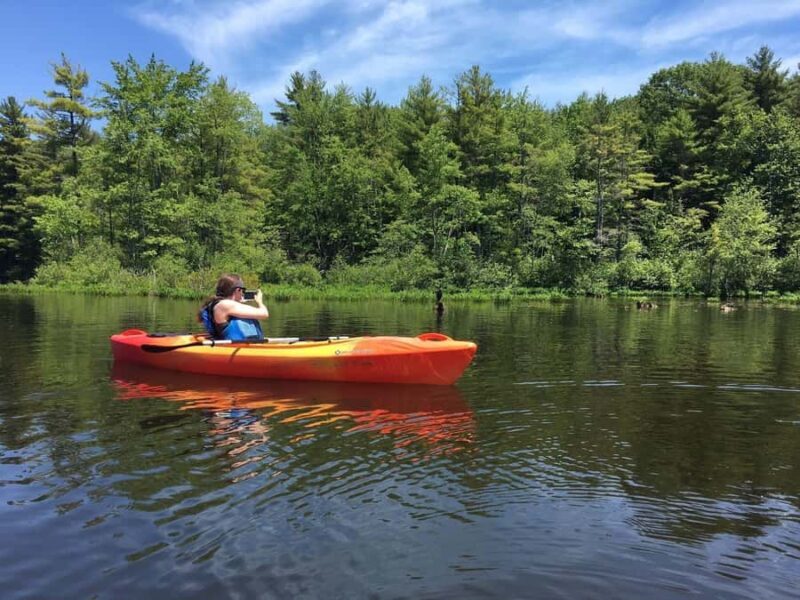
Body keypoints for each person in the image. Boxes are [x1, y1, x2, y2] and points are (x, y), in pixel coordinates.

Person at [198, 274, 269, 340]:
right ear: (238, 290)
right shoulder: (225, 305)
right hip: (237, 348)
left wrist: (237, 302)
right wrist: (260, 302)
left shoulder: (221, 304)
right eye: (242, 290)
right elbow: (264, 314)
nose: (243, 293)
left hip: (239, 346)